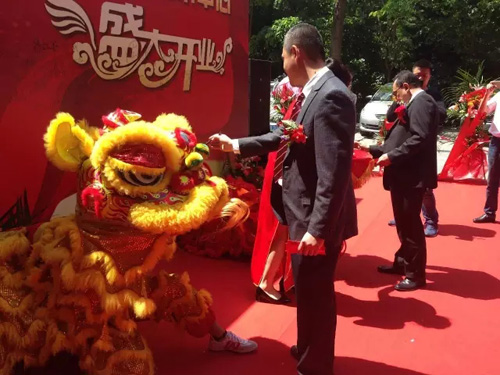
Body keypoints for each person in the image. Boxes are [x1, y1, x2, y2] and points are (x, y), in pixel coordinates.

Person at [209, 23, 357, 375]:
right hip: (301, 212)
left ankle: (316, 366)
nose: (282, 64)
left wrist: (318, 229)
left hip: (314, 220)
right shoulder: (311, 92)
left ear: (296, 53)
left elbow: (334, 172)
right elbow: (285, 136)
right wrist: (235, 145)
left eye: (282, 55)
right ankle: (307, 347)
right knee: (306, 289)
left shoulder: (331, 95)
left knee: (317, 295)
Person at [253, 59, 355, 304]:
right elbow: (329, 169)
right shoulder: (327, 99)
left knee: (282, 234)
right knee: (283, 235)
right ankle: (272, 283)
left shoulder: (309, 98)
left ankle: (273, 282)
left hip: (287, 181)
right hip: (292, 185)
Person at [359, 71, 439, 291]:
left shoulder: (422, 102)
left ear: (405, 86)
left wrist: (392, 157)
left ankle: (415, 275)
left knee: (410, 225)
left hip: (411, 176)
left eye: (397, 93)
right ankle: (403, 262)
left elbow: (419, 138)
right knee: (404, 223)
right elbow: (401, 137)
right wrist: (375, 150)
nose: (397, 98)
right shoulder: (414, 102)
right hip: (403, 174)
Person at [386, 59, 444, 237]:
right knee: (406, 213)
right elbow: (390, 118)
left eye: (424, 75)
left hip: (417, 159)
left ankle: (431, 219)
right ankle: (405, 216)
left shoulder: (428, 98)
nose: (420, 77)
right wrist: (400, 102)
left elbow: (426, 130)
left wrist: (392, 155)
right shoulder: (406, 97)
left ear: (429, 76)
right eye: (417, 74)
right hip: (406, 159)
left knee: (424, 193)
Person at [473, 81, 500, 223]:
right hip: (496, 141)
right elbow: (483, 111)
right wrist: (487, 94)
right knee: (493, 179)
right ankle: (489, 212)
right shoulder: (499, 95)